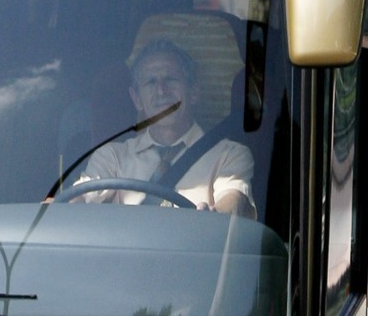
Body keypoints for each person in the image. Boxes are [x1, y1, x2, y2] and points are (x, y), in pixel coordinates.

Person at [72, 38, 254, 214]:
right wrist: (67, 205)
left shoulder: (229, 154)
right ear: (137, 99)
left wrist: (215, 216)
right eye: (151, 82)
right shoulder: (112, 157)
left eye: (171, 79)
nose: (161, 91)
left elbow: (233, 201)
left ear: (193, 91)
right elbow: (78, 199)